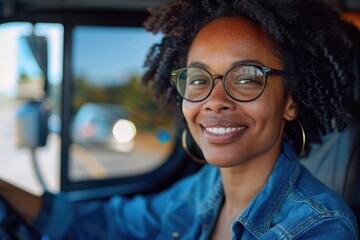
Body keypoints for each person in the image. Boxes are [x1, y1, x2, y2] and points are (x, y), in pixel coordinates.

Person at [1, 0, 359, 239]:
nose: (215, 101)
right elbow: (116, 223)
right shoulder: (203, 189)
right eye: (199, 79)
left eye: (247, 78)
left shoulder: (320, 226)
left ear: (290, 103)